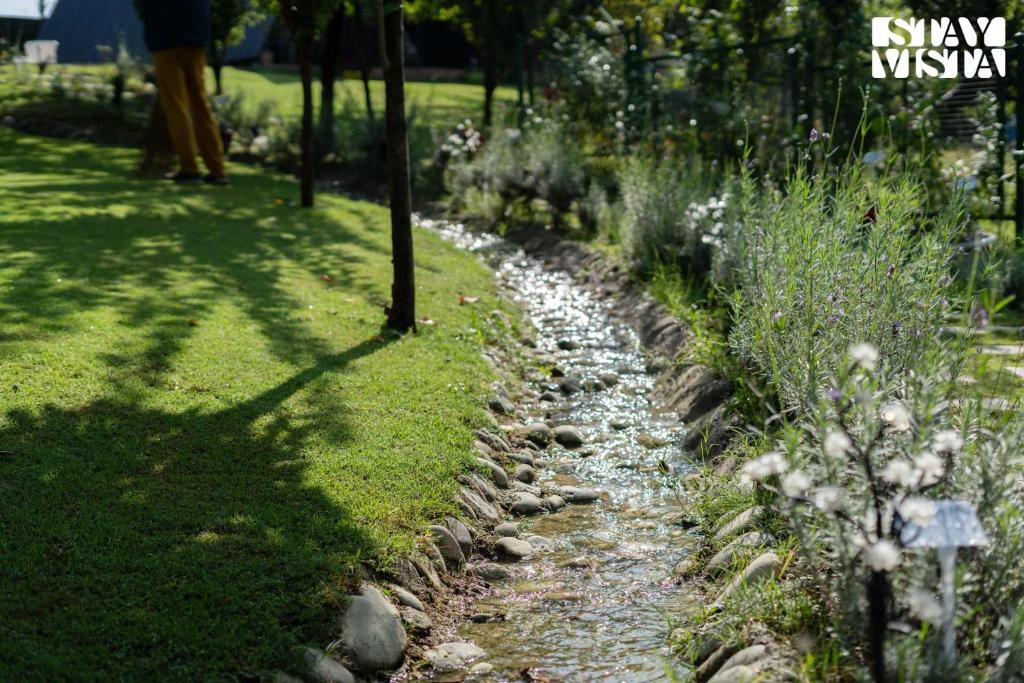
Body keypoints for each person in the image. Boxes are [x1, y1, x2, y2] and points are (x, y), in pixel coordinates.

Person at [138, 0, 228, 185]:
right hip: (195, 36)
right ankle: (217, 170)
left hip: (165, 39)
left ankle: (190, 168)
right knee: (201, 106)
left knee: (176, 106)